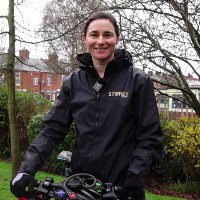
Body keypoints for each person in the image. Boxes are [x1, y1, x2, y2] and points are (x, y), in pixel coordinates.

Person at [10, 11, 163, 200]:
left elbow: (150, 136)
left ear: (117, 38)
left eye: (107, 35)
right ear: (85, 39)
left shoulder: (138, 81)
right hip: (80, 187)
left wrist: (134, 178)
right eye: (94, 35)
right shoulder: (73, 83)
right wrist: (27, 169)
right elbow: (52, 130)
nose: (100, 41)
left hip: (121, 189)